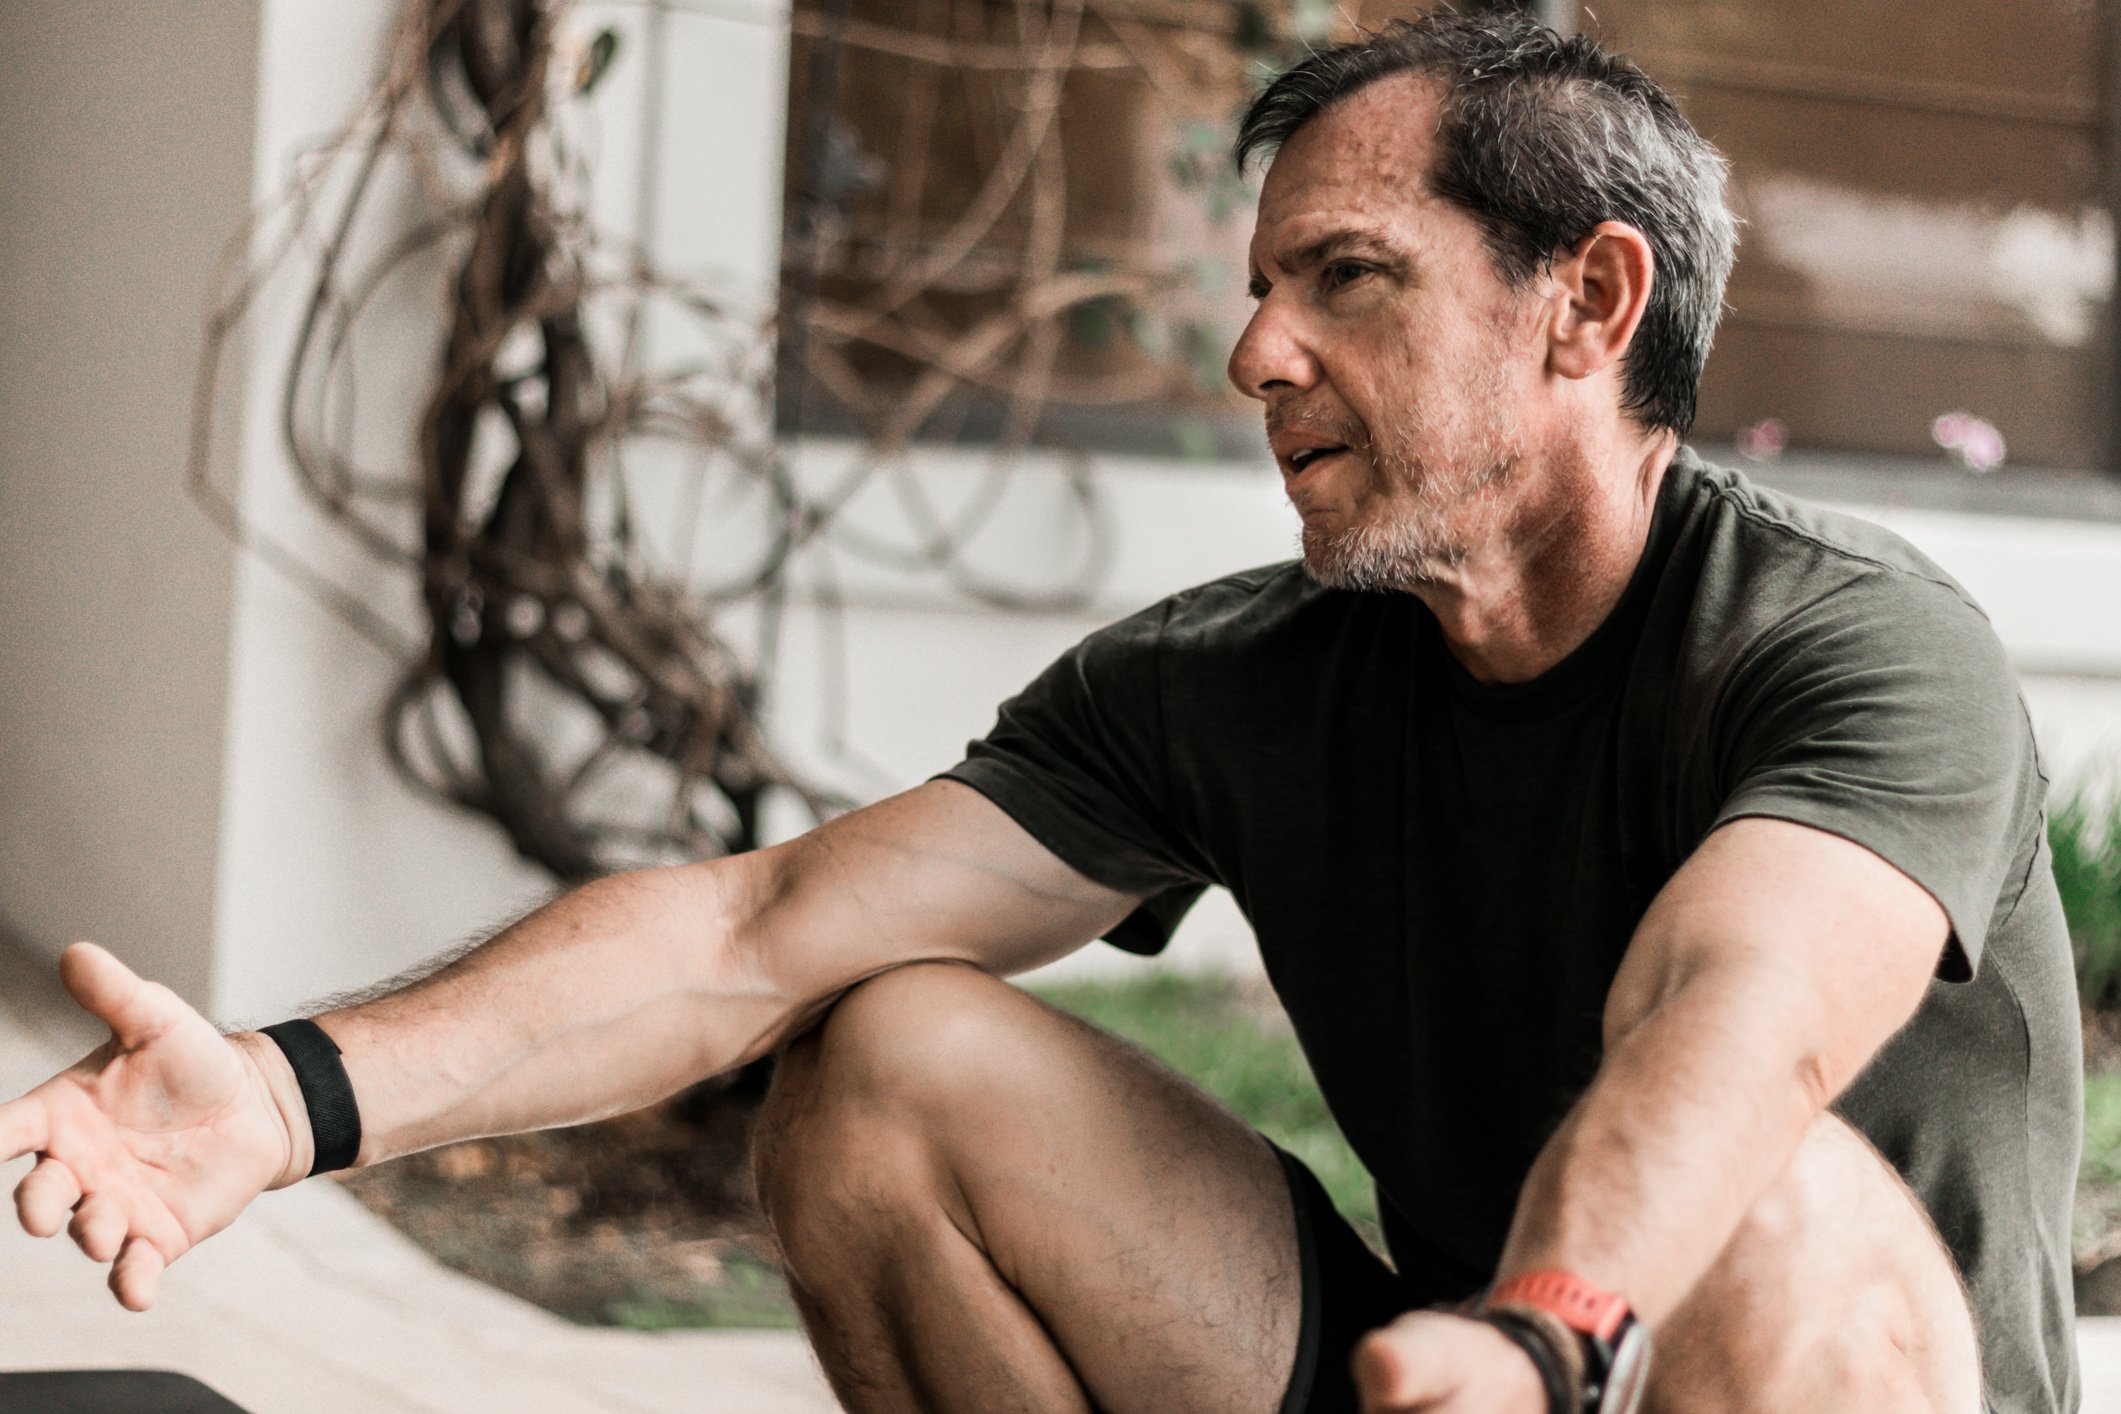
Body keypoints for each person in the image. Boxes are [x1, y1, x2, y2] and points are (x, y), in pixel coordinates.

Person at [0, 12, 2081, 1414]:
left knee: (1777, 1190)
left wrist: (1541, 1336)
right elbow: (750, 932)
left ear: (1586, 304)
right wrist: (281, 1093)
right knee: (884, 1059)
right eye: (1257, 288)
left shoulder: (1846, 643)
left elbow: (1736, 1012)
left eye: (1345, 277)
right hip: (1454, 1377)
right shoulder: (1239, 679)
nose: (1255, 352)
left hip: (1683, 1362)